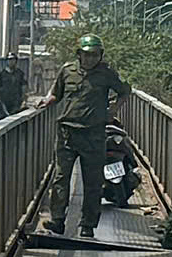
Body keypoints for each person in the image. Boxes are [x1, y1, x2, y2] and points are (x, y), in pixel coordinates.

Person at [46, 33, 134, 237]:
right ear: (79, 54)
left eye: (95, 55)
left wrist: (114, 109)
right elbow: (56, 94)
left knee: (93, 182)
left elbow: (125, 91)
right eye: (87, 54)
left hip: (93, 134)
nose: (90, 59)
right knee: (60, 178)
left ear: (100, 55)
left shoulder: (106, 74)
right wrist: (46, 101)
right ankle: (57, 220)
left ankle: (88, 225)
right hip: (67, 133)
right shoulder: (67, 71)